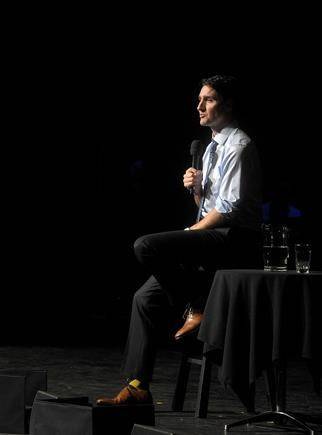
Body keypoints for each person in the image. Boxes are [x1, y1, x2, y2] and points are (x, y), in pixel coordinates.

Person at [96, 75, 262, 405]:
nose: (199, 106)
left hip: (236, 241)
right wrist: (197, 191)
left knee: (147, 246)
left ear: (227, 104)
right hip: (214, 234)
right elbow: (208, 208)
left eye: (209, 99)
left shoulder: (239, 147)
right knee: (143, 298)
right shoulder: (211, 147)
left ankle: (198, 306)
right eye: (199, 99)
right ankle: (136, 387)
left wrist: (189, 234)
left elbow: (228, 210)